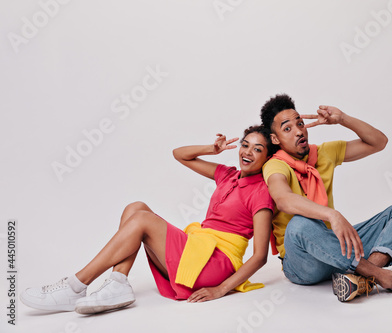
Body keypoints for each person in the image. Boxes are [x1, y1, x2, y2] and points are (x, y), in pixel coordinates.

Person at [21, 125, 275, 314]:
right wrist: (212, 148)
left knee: (143, 219)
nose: (248, 152)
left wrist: (221, 289)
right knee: (136, 207)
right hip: (199, 249)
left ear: (267, 157)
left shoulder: (262, 191)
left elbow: (260, 256)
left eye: (258, 149)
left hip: (216, 263)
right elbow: (179, 154)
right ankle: (118, 282)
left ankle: (75, 286)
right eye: (245, 144)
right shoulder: (228, 175)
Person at [260, 94, 392, 302]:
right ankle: (381, 276)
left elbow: (378, 142)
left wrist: (343, 119)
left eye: (300, 123)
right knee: (299, 224)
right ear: (275, 139)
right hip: (303, 263)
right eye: (287, 129)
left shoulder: (323, 153)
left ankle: (359, 279)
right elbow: (284, 200)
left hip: (337, 252)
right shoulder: (275, 165)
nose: (298, 131)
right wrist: (332, 215)